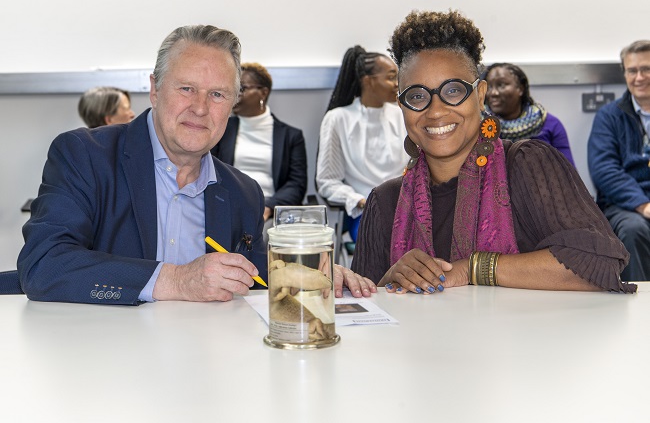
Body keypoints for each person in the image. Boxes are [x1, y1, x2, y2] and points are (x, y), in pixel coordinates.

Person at [18, 25, 375, 305]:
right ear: (155, 90)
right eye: (186, 88)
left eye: (217, 94)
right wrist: (176, 280)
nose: (201, 108)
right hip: (103, 361)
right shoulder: (85, 156)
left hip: (205, 367)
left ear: (232, 104)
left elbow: (254, 274)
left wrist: (313, 273)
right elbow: (44, 265)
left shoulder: (243, 193)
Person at [351, 10, 635, 294]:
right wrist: (391, 278)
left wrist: (473, 268)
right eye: (416, 96)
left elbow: (599, 265)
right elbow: (364, 312)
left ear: (480, 93)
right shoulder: (384, 202)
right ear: (401, 105)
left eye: (453, 91)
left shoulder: (529, 166)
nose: (435, 110)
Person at [316, 45, 408, 242]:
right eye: (391, 77)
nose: (396, 84)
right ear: (368, 82)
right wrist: (358, 201)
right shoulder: (338, 119)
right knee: (388, 243)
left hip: (407, 208)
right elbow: (327, 181)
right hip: (365, 213)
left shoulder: (402, 115)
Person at [211, 62, 307, 240]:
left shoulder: (290, 136)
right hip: (229, 206)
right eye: (233, 89)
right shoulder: (221, 130)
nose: (235, 95)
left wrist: (268, 207)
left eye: (242, 89)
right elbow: (210, 170)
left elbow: (296, 184)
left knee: (265, 237)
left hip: (271, 211)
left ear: (263, 92)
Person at [588, 40, 650, 282]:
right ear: (624, 74)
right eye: (632, 70)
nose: (639, 77)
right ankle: (641, 307)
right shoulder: (609, 116)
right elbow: (604, 170)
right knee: (634, 230)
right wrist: (643, 205)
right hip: (624, 206)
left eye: (646, 69)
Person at [483, 63, 575, 165]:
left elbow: (568, 172)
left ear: (520, 89)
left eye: (502, 85)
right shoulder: (479, 126)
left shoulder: (549, 124)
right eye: (489, 87)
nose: (493, 93)